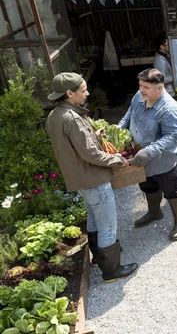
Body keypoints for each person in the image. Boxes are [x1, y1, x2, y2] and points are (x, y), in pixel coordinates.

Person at [46, 73, 138, 283]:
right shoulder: (72, 118)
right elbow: (90, 155)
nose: (87, 93)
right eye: (83, 90)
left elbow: (72, 146)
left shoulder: (55, 115)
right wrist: (116, 159)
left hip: (80, 180)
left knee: (95, 218)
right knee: (108, 225)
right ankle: (112, 270)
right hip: (93, 179)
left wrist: (94, 136)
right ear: (69, 93)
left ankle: (98, 257)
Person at [119, 68, 177, 241]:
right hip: (141, 160)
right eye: (140, 85)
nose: (141, 90)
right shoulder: (139, 96)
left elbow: (172, 137)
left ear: (159, 88)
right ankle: (154, 212)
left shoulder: (170, 109)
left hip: (163, 162)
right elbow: (130, 113)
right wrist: (119, 129)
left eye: (146, 87)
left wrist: (148, 151)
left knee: (173, 192)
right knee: (147, 186)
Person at [152, 33, 176, 97]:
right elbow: (161, 80)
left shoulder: (166, 55)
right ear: (161, 47)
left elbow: (173, 67)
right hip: (168, 93)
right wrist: (175, 76)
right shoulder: (159, 61)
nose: (169, 45)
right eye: (167, 44)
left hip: (172, 91)